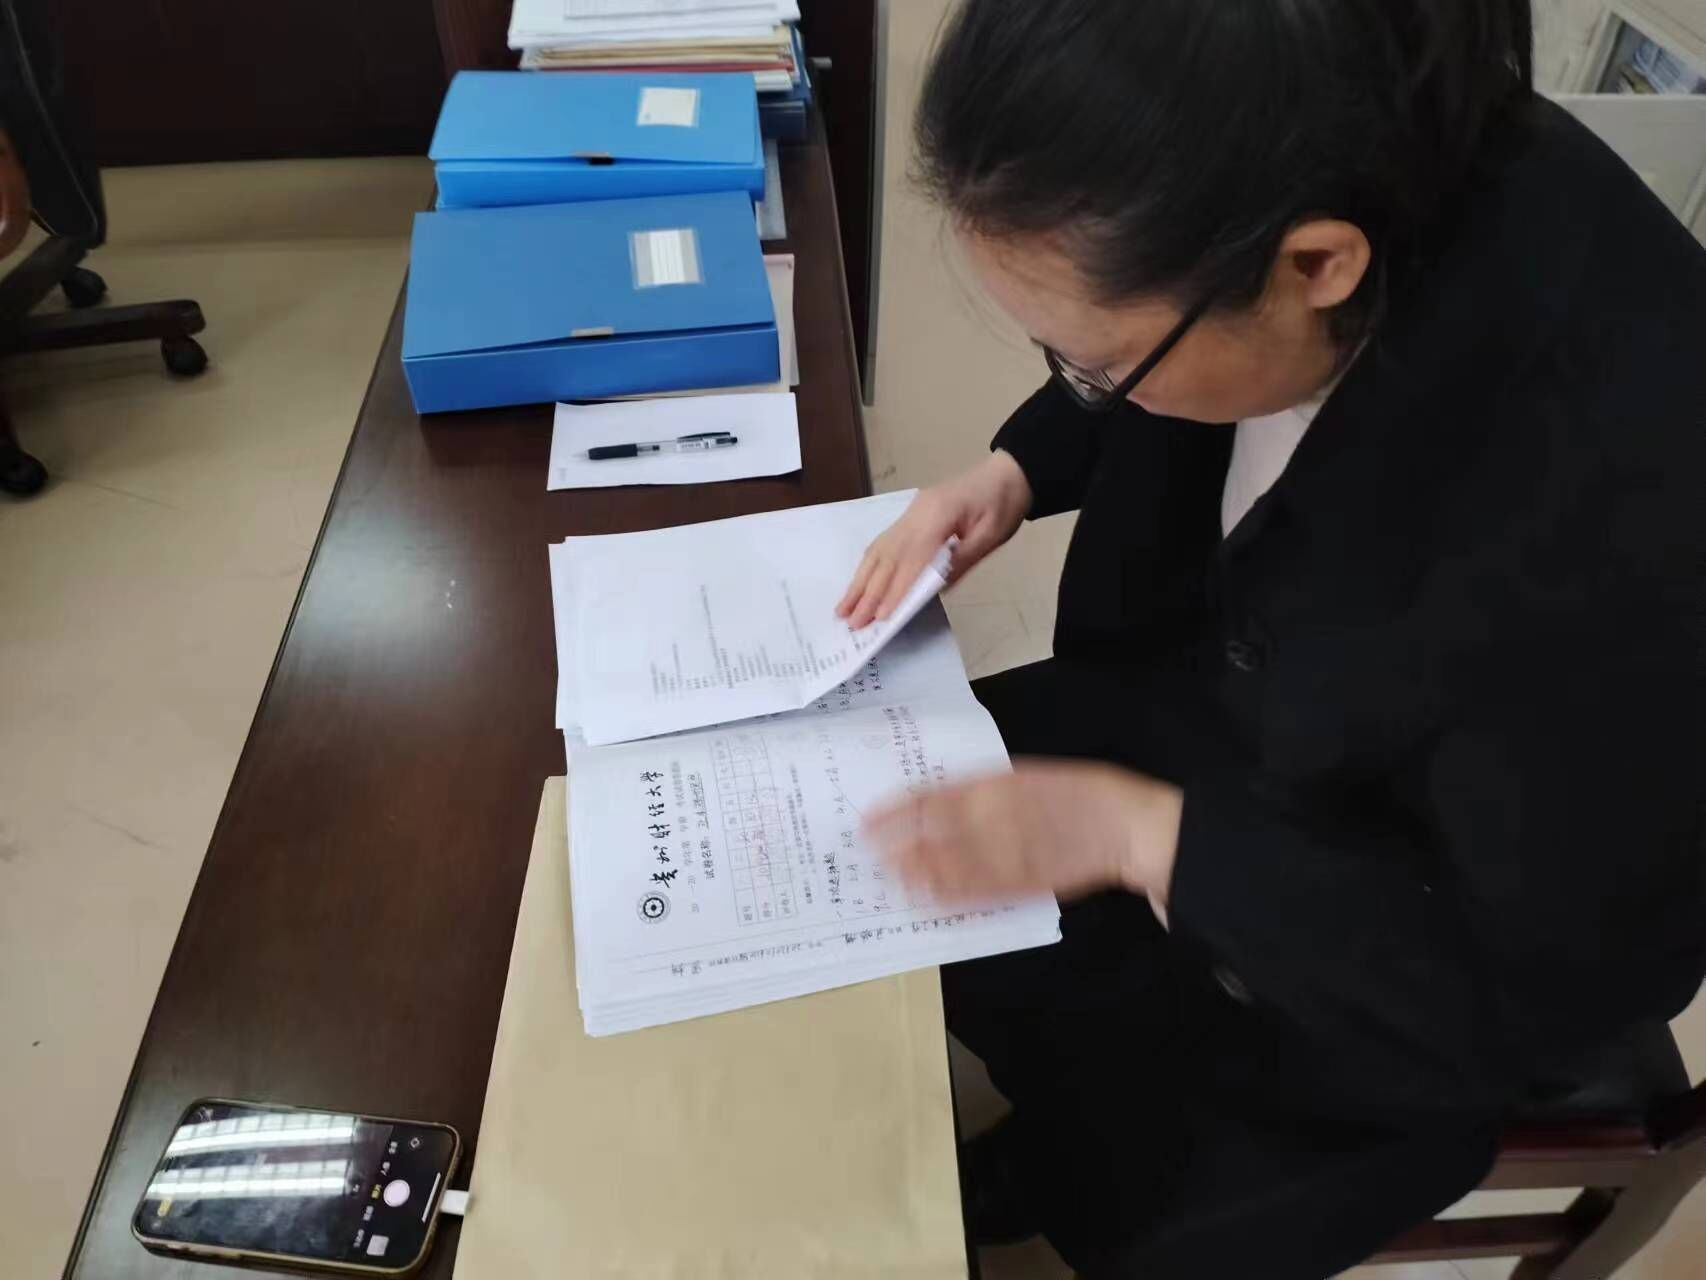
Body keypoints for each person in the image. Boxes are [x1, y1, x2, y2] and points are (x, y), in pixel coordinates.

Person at [840, 2, 1706, 1276]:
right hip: (1219, 695)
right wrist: (1017, 465)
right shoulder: (1321, 131)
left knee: (1154, 1191)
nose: (1085, 386)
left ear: (1315, 264)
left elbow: (1529, 989)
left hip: (1384, 973)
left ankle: (1071, 1180)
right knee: (935, 845)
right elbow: (1143, 324)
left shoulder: (1625, 521)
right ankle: (1044, 1140)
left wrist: (1143, 836)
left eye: (1094, 367)